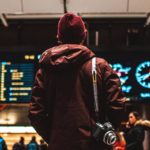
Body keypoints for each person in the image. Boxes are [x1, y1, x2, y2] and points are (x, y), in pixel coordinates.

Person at [28, 13, 125, 150]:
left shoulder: (45, 71)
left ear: (59, 37)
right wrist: (103, 132)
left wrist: (54, 137)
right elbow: (117, 105)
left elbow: (35, 113)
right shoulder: (100, 67)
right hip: (94, 145)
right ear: (84, 35)